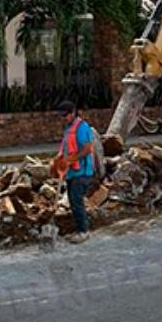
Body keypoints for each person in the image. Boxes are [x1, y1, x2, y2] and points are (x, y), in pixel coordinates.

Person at [53, 100, 94, 243]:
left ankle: (83, 231)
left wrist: (70, 160)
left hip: (82, 172)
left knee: (76, 201)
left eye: (65, 116)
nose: (63, 119)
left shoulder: (82, 127)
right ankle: (79, 229)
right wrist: (59, 159)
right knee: (72, 201)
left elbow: (87, 148)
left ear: (73, 113)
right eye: (61, 116)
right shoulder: (68, 129)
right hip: (71, 172)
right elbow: (65, 148)